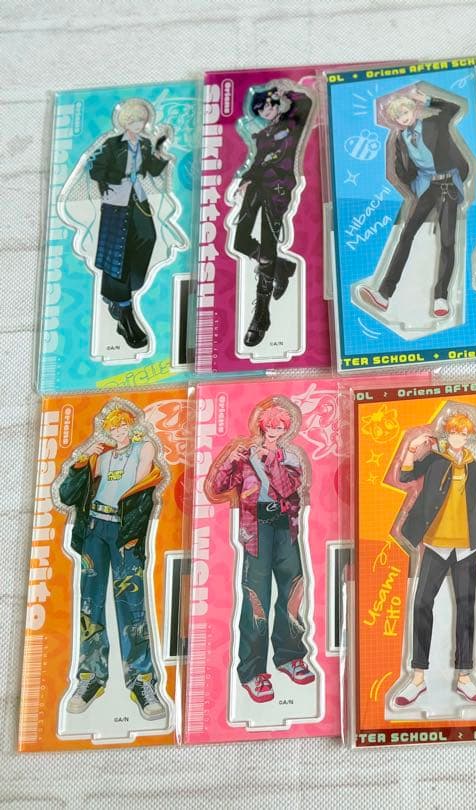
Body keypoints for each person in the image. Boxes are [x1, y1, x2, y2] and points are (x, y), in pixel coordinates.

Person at [58, 406, 167, 721]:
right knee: (90, 604)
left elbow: (140, 483)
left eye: (123, 426)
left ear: (131, 426)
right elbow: (67, 496)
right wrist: (83, 459)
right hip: (95, 527)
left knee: (131, 603)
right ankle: (91, 676)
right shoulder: (100, 457)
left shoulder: (143, 447)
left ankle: (142, 680)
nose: (118, 432)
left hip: (124, 531)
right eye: (113, 428)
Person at [391, 412, 476, 706]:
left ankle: (465, 677)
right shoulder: (434, 459)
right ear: (447, 434)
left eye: (463, 433)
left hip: (467, 547)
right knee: (422, 604)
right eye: (454, 432)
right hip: (435, 544)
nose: (458, 438)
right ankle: (418, 677)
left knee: (466, 609)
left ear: (468, 436)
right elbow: (404, 476)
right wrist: (412, 447)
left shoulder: (475, 467)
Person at [207, 402, 315, 704]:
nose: (275, 430)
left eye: (281, 425)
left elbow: (287, 487)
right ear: (262, 425)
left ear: (286, 428)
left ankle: (290, 656)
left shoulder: (290, 456)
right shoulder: (246, 453)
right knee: (256, 597)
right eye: (271, 425)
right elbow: (218, 487)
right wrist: (231, 460)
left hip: (285, 525)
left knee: (293, 590)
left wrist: (270, 460)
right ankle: (253, 671)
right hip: (255, 528)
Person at [360, 87, 470, 320]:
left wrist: (428, 99)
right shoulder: (401, 139)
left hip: (448, 185)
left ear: (413, 109)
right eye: (398, 116)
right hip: (427, 188)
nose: (404, 118)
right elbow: (402, 169)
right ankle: (384, 294)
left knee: (447, 240)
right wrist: (410, 183)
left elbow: (454, 108)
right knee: (407, 234)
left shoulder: (434, 123)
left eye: (405, 112)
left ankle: (441, 297)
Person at [231, 85, 314, 347]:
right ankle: (282, 268)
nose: (265, 112)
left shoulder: (292, 121)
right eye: (260, 110)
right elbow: (257, 161)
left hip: (277, 188)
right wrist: (245, 180)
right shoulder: (263, 134)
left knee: (268, 249)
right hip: (255, 186)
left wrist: (287, 93)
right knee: (239, 241)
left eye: (268, 105)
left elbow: (306, 102)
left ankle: (261, 316)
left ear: (276, 102)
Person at [88, 98, 173, 349]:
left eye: (142, 120)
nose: (139, 124)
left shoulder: (145, 144)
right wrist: (121, 176)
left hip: (138, 198)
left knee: (148, 237)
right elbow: (95, 170)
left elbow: (154, 170)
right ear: (125, 121)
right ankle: (124, 312)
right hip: (117, 200)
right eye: (134, 120)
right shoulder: (113, 144)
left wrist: (160, 149)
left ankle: (122, 293)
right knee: (119, 252)